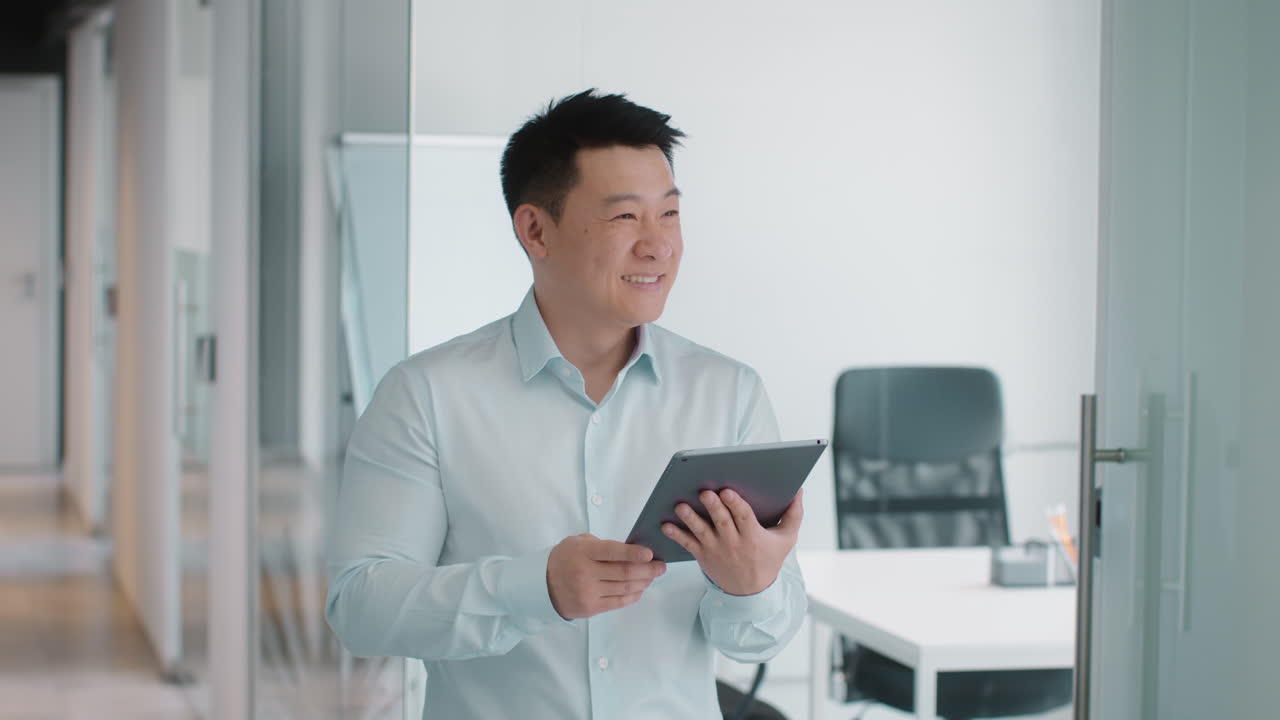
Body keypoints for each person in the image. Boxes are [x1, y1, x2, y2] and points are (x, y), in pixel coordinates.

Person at [326, 89, 806, 719]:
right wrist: (537, 588)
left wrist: (753, 584)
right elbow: (360, 607)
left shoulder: (728, 393)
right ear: (535, 229)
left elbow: (760, 636)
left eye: (670, 215)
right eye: (625, 218)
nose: (658, 246)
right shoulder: (427, 395)